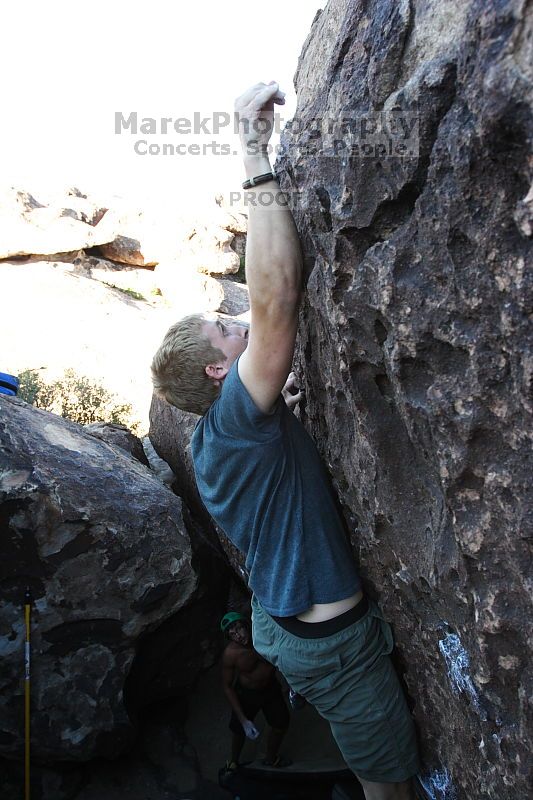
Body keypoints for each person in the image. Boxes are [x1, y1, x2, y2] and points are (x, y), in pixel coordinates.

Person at [151, 81, 420, 800]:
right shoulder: (238, 418)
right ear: (217, 369)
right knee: (388, 786)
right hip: (331, 643)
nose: (239, 325)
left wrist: (284, 415)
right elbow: (276, 301)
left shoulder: (229, 432)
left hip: (286, 626)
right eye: (226, 331)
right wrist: (251, 152)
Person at [220, 611, 291, 770]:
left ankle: (271, 758)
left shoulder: (266, 635)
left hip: (270, 688)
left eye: (238, 629)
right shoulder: (231, 655)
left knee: (281, 724)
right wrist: (243, 720)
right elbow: (227, 686)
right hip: (247, 693)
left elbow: (284, 657)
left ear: (246, 624)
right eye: (232, 634)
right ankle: (233, 761)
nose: (237, 636)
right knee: (239, 730)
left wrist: (292, 684)